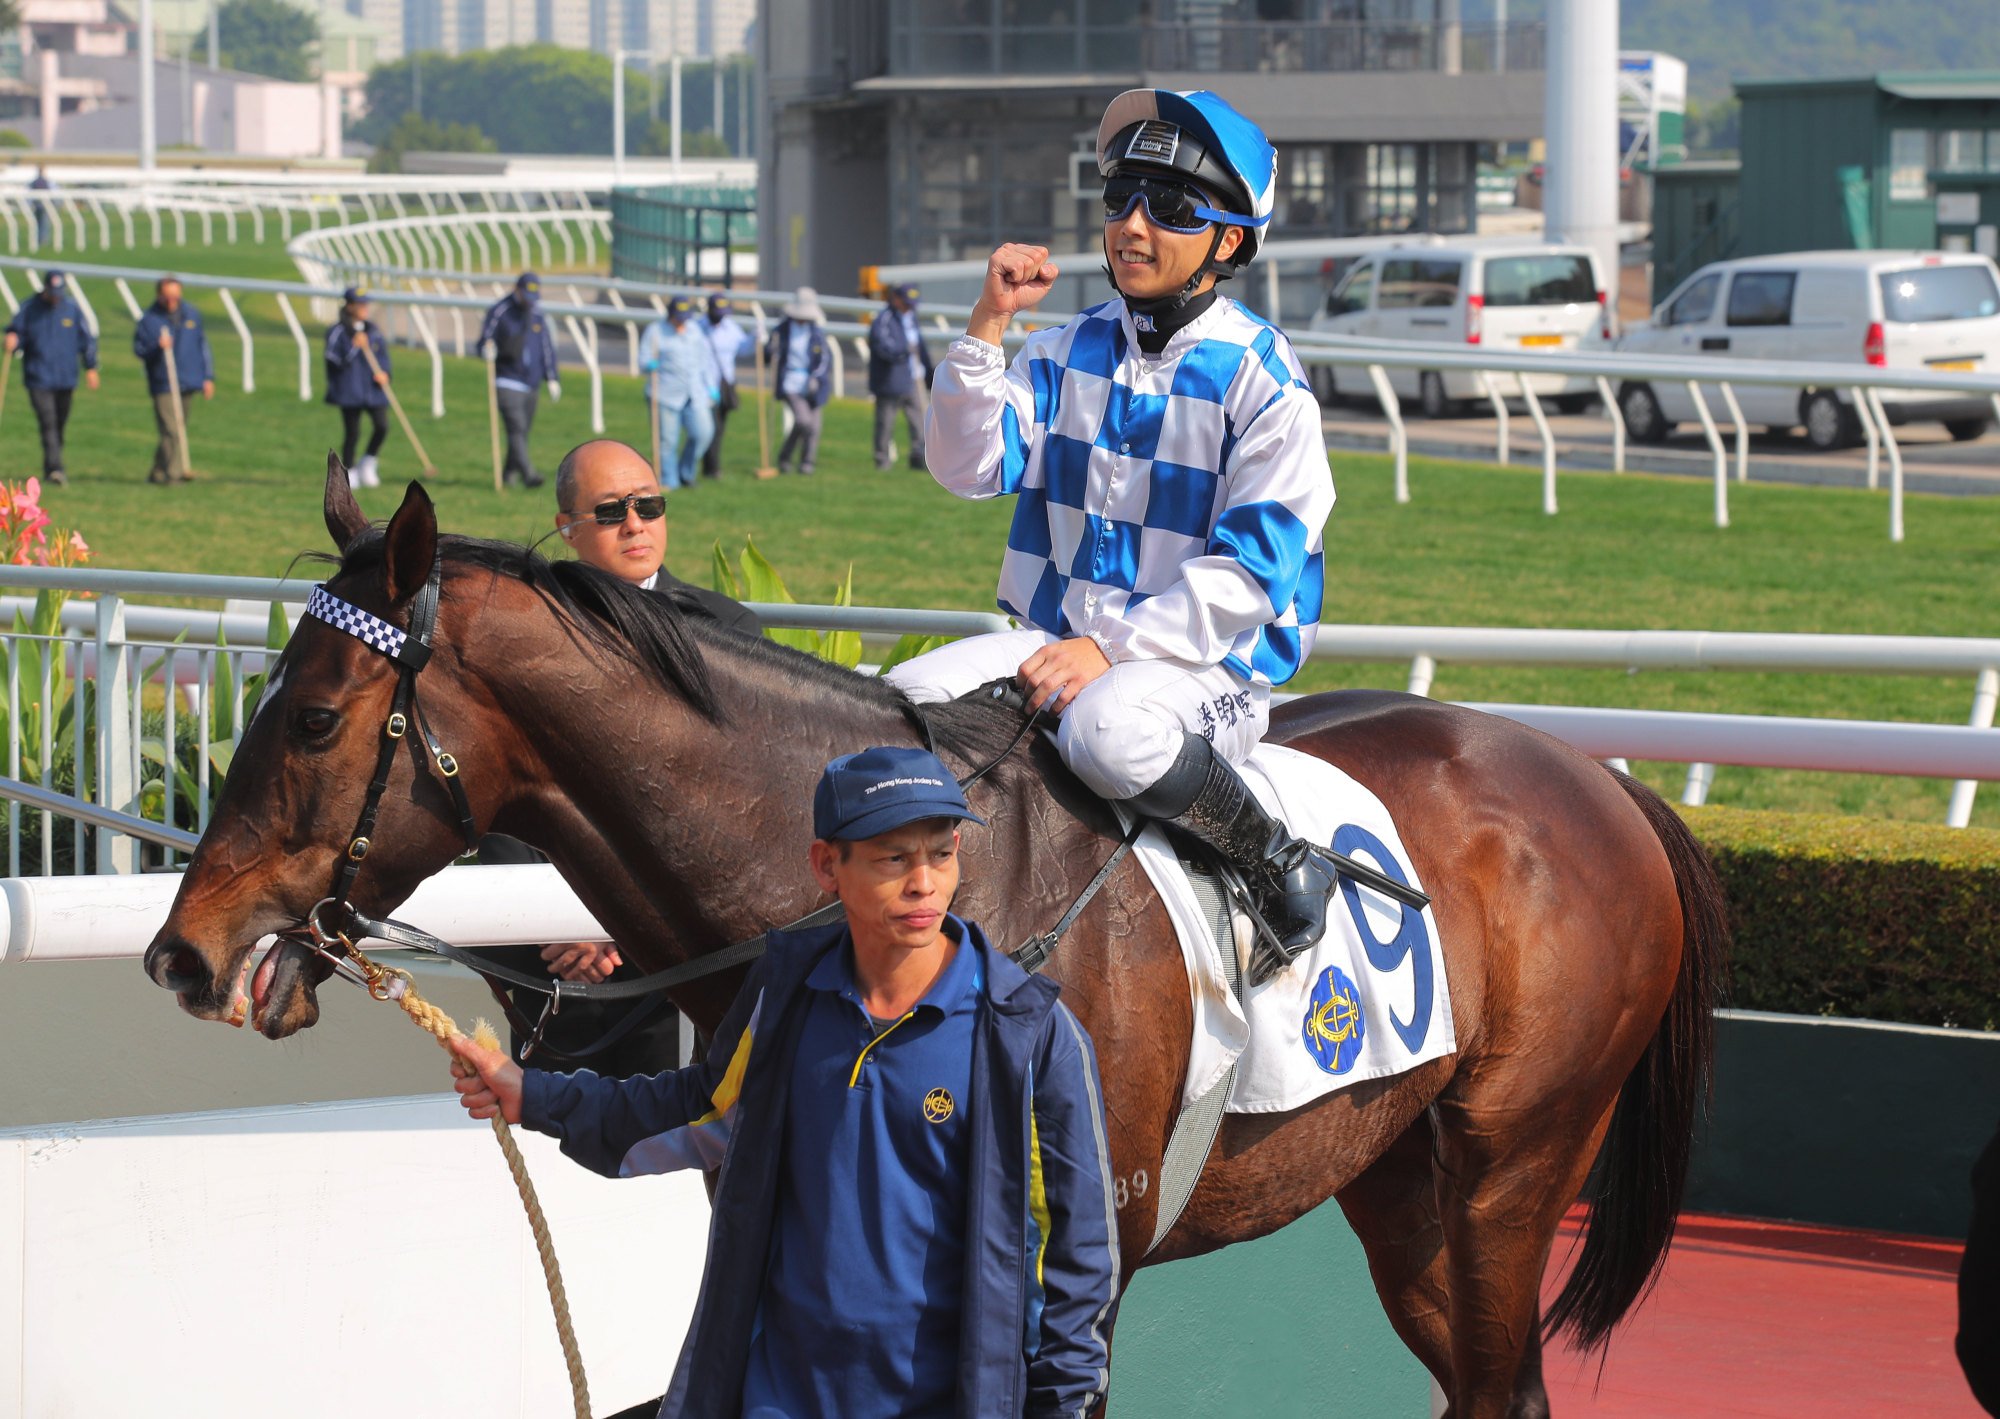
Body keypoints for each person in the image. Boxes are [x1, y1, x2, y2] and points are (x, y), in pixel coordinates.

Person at [448, 744, 1120, 1419]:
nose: (925, 883)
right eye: (894, 857)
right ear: (827, 865)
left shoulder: (1028, 1035)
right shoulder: (784, 993)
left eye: (941, 853)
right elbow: (702, 1110)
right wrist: (531, 1093)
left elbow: (1074, 1267)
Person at [882, 88, 1338, 981]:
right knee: (899, 707)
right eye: (1120, 198)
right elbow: (964, 466)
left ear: (1230, 240)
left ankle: (1277, 857)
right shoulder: (1060, 352)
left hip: (1208, 673)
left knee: (1106, 733)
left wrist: (1111, 646)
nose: (1132, 225)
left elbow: (1254, 574)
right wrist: (989, 323)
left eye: (1168, 209)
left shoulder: (1265, 382)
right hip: (1056, 649)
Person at [476, 438, 764, 1071]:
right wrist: (551, 918)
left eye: (649, 505)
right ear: (567, 528)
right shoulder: (518, 636)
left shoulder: (728, 634)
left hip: (680, 957)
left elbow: (730, 808)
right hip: (546, 961)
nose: (635, 524)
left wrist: (613, 920)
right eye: (610, 511)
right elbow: (496, 793)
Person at [4, 269, 98, 486]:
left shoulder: (72, 309)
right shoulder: (29, 308)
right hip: (39, 377)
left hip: (66, 378)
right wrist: (12, 340)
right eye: (52, 291)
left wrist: (90, 368)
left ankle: (52, 463)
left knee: (59, 423)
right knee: (48, 422)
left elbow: (87, 340)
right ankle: (55, 468)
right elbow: (16, 331)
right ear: (44, 288)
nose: (56, 296)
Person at [478, 271, 560, 489]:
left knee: (522, 432)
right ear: (517, 290)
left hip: (531, 383)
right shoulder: (500, 311)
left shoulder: (537, 314)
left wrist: (552, 377)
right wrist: (487, 349)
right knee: (516, 428)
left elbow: (546, 348)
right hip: (507, 380)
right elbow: (484, 340)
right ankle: (529, 474)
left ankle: (508, 474)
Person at [132, 275, 214, 486]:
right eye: (168, 297)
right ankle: (174, 473)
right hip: (163, 382)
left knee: (177, 430)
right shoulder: (149, 320)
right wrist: (157, 346)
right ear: (159, 295)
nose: (172, 301)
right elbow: (139, 349)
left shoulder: (192, 315)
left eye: (175, 296)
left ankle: (158, 471)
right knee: (171, 429)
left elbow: (202, 346)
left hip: (188, 379)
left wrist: (207, 377)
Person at [638, 295, 714, 490]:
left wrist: (710, 387)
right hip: (665, 394)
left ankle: (686, 473)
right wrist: (649, 364)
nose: (681, 321)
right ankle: (669, 480)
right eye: (678, 317)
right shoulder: (655, 331)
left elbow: (705, 361)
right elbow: (643, 359)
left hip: (694, 393)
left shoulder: (695, 331)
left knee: (703, 433)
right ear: (670, 315)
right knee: (668, 440)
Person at [324, 287, 391, 490]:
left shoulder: (373, 330)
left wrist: (384, 373)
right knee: (352, 432)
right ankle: (350, 471)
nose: (365, 308)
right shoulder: (337, 331)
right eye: (360, 304)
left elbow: (383, 357)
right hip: (349, 391)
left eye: (366, 304)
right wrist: (354, 346)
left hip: (372, 390)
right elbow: (334, 360)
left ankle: (368, 462)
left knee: (382, 426)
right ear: (350, 306)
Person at [768, 286, 832, 476]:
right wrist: (769, 350)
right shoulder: (781, 331)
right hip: (791, 382)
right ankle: (785, 456)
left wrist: (816, 378)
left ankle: (807, 462)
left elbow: (825, 360)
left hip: (812, 384)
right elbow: (769, 355)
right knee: (803, 421)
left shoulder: (817, 334)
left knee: (814, 426)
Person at [868, 282, 932, 470]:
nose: (909, 306)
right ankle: (882, 460)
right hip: (890, 380)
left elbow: (921, 348)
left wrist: (928, 373)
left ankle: (919, 458)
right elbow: (881, 346)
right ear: (895, 299)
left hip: (914, 378)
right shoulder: (884, 319)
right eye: (906, 302)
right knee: (886, 422)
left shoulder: (912, 318)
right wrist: (903, 351)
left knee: (919, 421)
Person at [699, 292, 749, 480]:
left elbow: (743, 349)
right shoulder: (698, 327)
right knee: (708, 428)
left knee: (719, 428)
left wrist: (756, 339)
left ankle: (711, 467)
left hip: (725, 385)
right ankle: (710, 467)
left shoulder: (731, 327)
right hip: (704, 385)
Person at [27, 166, 53, 250]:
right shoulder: (46, 181)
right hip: (43, 206)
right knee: (43, 224)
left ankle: (38, 240)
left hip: (36, 206)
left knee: (37, 224)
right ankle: (43, 241)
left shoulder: (34, 182)